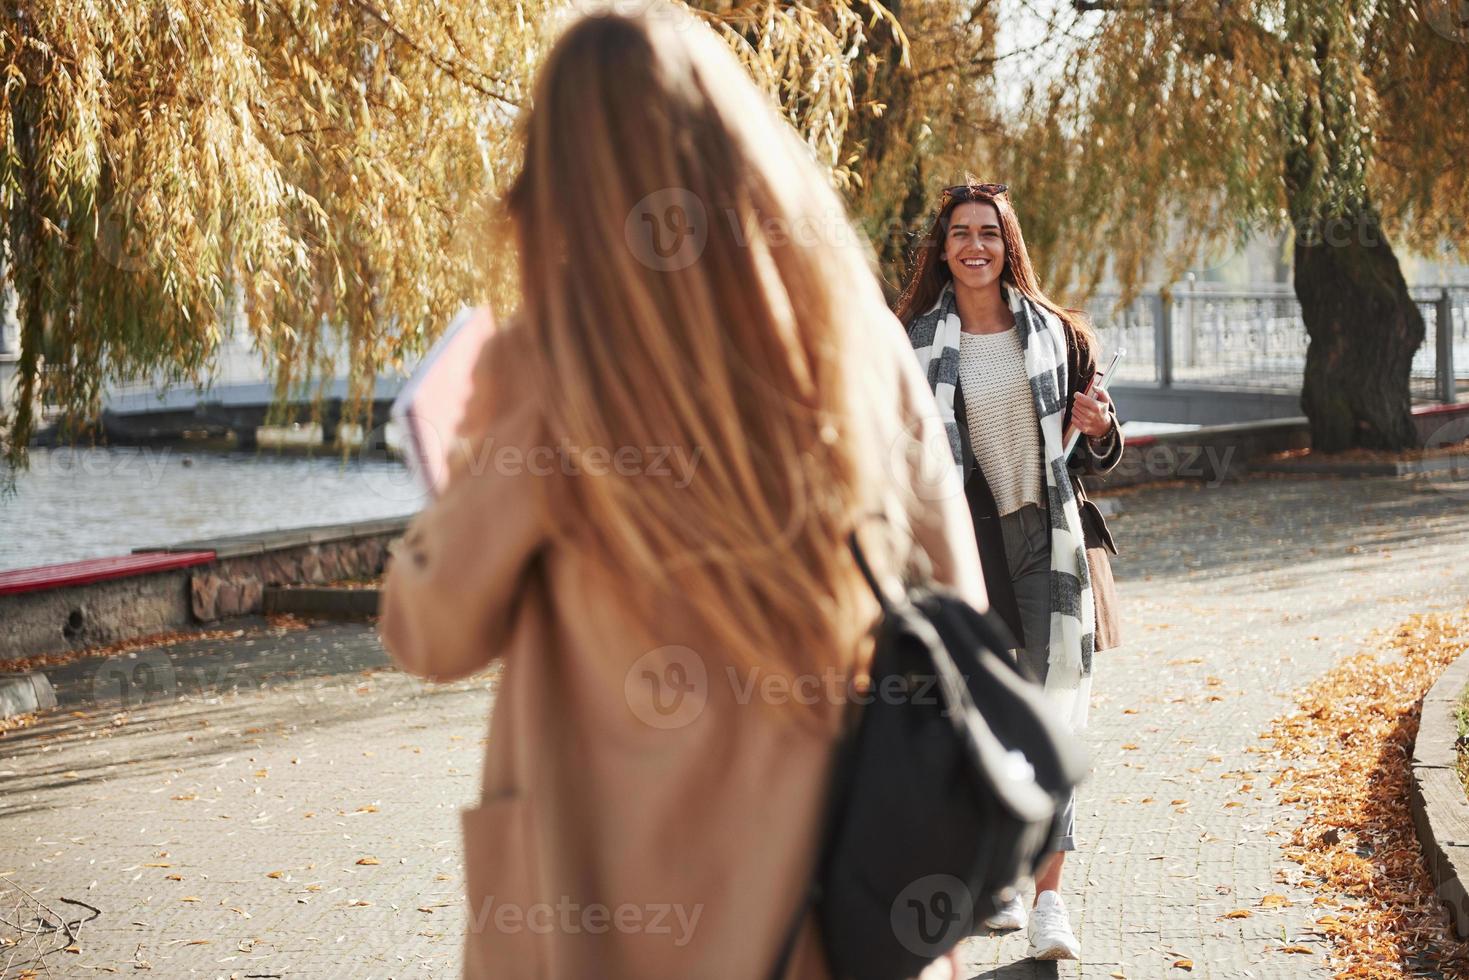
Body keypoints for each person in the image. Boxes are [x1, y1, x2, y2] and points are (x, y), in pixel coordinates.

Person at [378, 9, 986, 979]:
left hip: (605, 924)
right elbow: (958, 609)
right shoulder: (858, 347)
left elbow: (430, 629)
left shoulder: (550, 369)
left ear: (562, 179)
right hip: (825, 919)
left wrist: (458, 482)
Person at [893, 180, 1124, 962]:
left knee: (1056, 720)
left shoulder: (1059, 334)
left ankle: (1048, 902)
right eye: (959, 232)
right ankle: (992, 880)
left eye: (987, 232)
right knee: (977, 718)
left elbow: (1096, 444)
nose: (974, 246)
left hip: (1049, 545)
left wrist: (1098, 429)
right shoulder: (913, 341)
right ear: (943, 247)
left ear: (1007, 243)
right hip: (965, 549)